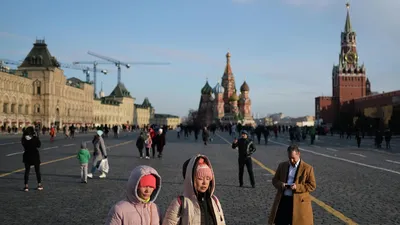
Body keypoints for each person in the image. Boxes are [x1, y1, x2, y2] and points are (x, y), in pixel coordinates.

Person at [163, 155, 226, 225]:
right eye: (200, 179)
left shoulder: (214, 201)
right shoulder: (180, 203)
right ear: (191, 180)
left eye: (208, 179)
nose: (204, 183)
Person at [268, 144, 316, 225]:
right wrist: (281, 184)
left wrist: (297, 187)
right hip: (283, 200)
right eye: (289, 158)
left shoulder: (307, 168)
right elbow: (275, 180)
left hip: (299, 203)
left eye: (293, 158)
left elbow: (312, 185)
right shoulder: (282, 165)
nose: (291, 160)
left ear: (298, 154)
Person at [21, 126, 43, 192]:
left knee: (27, 171)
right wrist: (37, 137)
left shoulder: (23, 139)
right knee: (37, 171)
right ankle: (39, 185)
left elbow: (24, 145)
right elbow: (39, 145)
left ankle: (26, 186)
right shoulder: (34, 138)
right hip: (35, 156)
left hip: (27, 155)